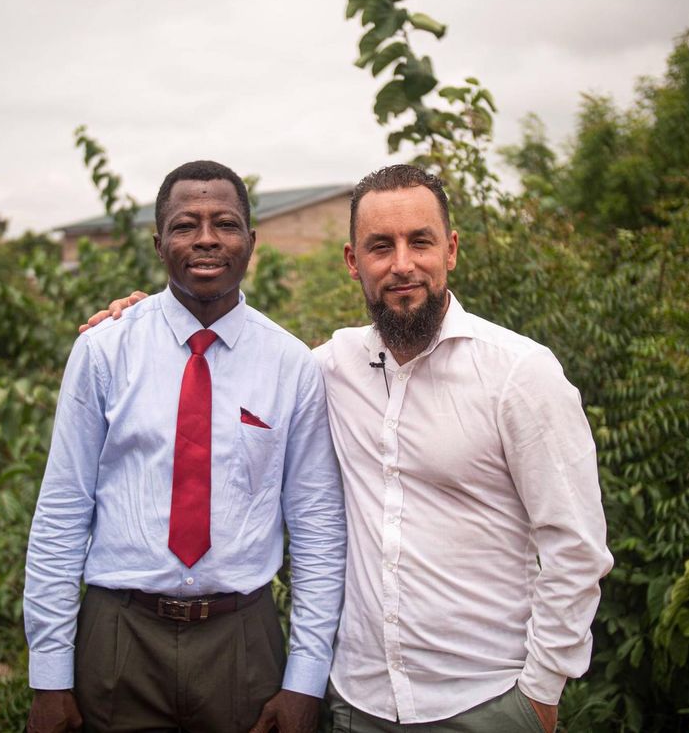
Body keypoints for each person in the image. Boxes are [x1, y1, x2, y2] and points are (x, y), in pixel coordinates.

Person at [87, 164, 613, 732]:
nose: (402, 264)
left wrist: (540, 691)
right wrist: (146, 318)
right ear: (352, 261)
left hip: (486, 700)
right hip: (356, 703)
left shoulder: (519, 374)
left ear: (452, 250)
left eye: (421, 242)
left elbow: (576, 547)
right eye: (380, 246)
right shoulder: (325, 369)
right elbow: (229, 364)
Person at [25, 160, 346, 733]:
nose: (205, 239)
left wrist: (304, 680)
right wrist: (49, 675)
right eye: (184, 225)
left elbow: (318, 530)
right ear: (158, 243)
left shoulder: (292, 365)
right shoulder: (104, 351)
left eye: (225, 223)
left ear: (251, 242)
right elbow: (62, 511)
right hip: (118, 634)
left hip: (242, 638)